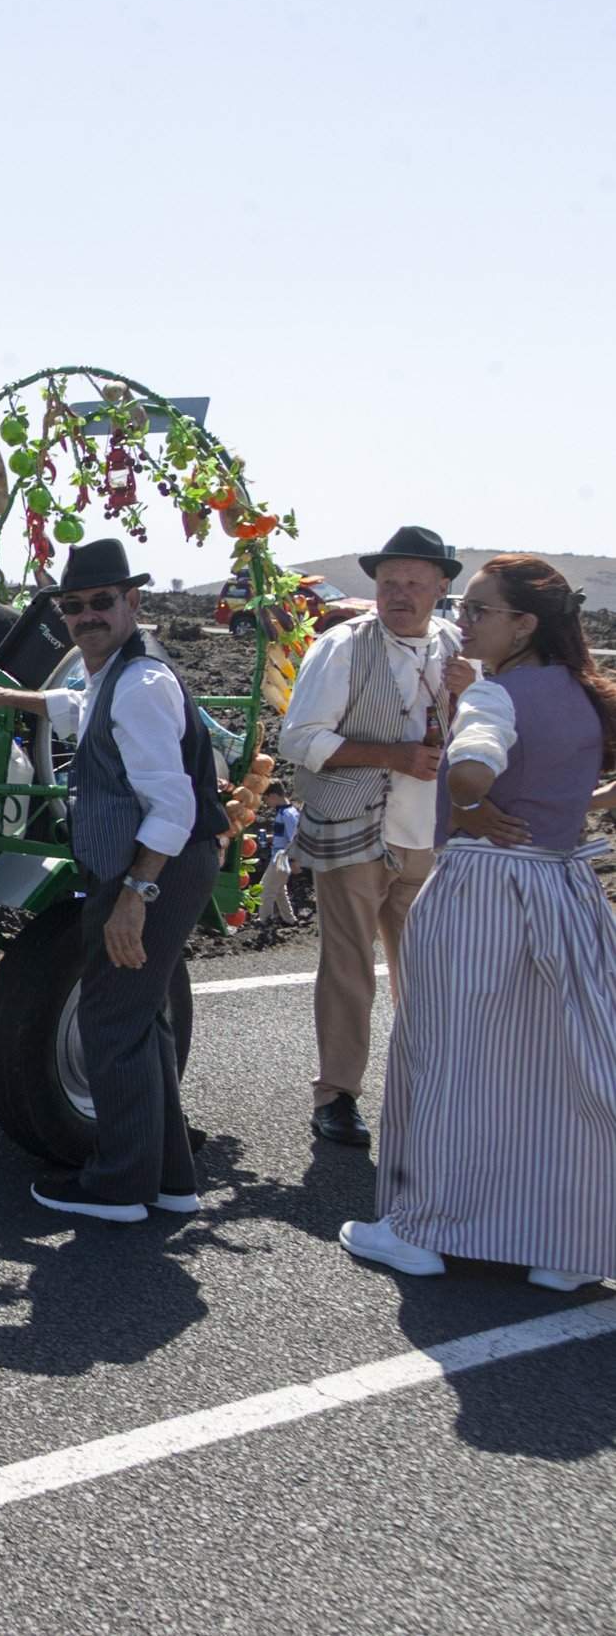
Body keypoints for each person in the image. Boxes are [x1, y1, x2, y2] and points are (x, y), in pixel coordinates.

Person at [341, 554, 616, 1292]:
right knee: (558, 1067)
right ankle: (568, 1242)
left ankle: (420, 1227)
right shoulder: (586, 697)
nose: (463, 621)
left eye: (478, 610)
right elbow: (575, 782)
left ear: (525, 624)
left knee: (448, 1057)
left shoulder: (495, 694)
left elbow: (473, 762)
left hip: (484, 889)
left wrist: (467, 798)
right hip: (563, 887)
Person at [0, 539, 226, 1222]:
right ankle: (169, 1179)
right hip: (148, 864)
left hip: (156, 865)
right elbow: (76, 708)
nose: (87, 616)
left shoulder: (141, 686)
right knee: (138, 1017)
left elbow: (174, 807)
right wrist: (2, 696)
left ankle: (119, 1185)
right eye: (73, 606)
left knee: (111, 1017)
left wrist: (135, 896)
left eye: (102, 601)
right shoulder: (114, 678)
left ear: (133, 601)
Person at [281, 526, 462, 1148]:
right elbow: (299, 739)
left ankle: (428, 1089)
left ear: (442, 587)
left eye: (414, 582)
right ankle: (336, 1096)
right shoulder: (342, 647)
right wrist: (394, 756)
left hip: (426, 839)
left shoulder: (458, 652)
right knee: (348, 967)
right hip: (353, 828)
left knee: (429, 973)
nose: (400, 594)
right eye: (389, 582)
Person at [255, 781, 301, 928]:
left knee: (265, 889)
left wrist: (294, 860)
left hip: (282, 857)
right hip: (281, 856)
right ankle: (289, 919)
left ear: (274, 796)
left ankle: (264, 921)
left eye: (266, 799)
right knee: (280, 890)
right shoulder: (286, 812)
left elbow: (295, 838)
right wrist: (270, 838)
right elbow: (286, 835)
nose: (266, 803)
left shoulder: (287, 814)